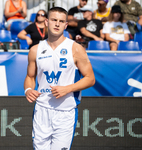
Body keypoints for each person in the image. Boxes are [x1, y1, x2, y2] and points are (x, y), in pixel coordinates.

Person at [24, 6, 95, 150]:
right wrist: (28, 89)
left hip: (66, 111)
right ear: (46, 22)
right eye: (54, 20)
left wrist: (67, 89)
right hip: (42, 110)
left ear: (66, 25)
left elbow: (90, 78)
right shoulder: (35, 50)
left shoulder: (75, 48)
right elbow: (30, 76)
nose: (57, 24)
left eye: (61, 21)